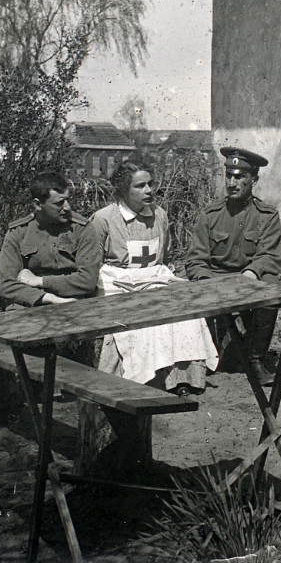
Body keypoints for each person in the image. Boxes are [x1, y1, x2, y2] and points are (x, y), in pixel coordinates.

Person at [91, 161, 218, 396]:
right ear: (123, 189)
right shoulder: (104, 219)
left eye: (150, 184)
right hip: (118, 286)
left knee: (184, 311)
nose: (149, 190)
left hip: (155, 281)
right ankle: (138, 378)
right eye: (140, 186)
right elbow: (93, 264)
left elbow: (164, 257)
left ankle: (182, 378)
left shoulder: (159, 215)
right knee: (139, 317)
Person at [184, 147, 281, 385]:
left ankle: (255, 360)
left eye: (239, 177)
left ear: (253, 180)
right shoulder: (211, 214)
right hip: (216, 278)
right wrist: (206, 281)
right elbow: (196, 259)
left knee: (271, 288)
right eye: (228, 176)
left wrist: (250, 273)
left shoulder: (267, 215)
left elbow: (269, 256)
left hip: (248, 279)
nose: (231, 183)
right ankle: (206, 356)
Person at [0, 171, 101, 307]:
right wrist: (51, 298)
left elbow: (88, 280)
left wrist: (39, 281)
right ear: (37, 205)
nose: (67, 207)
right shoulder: (18, 232)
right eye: (59, 203)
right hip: (30, 304)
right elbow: (6, 285)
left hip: (74, 301)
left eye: (67, 199)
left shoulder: (82, 229)